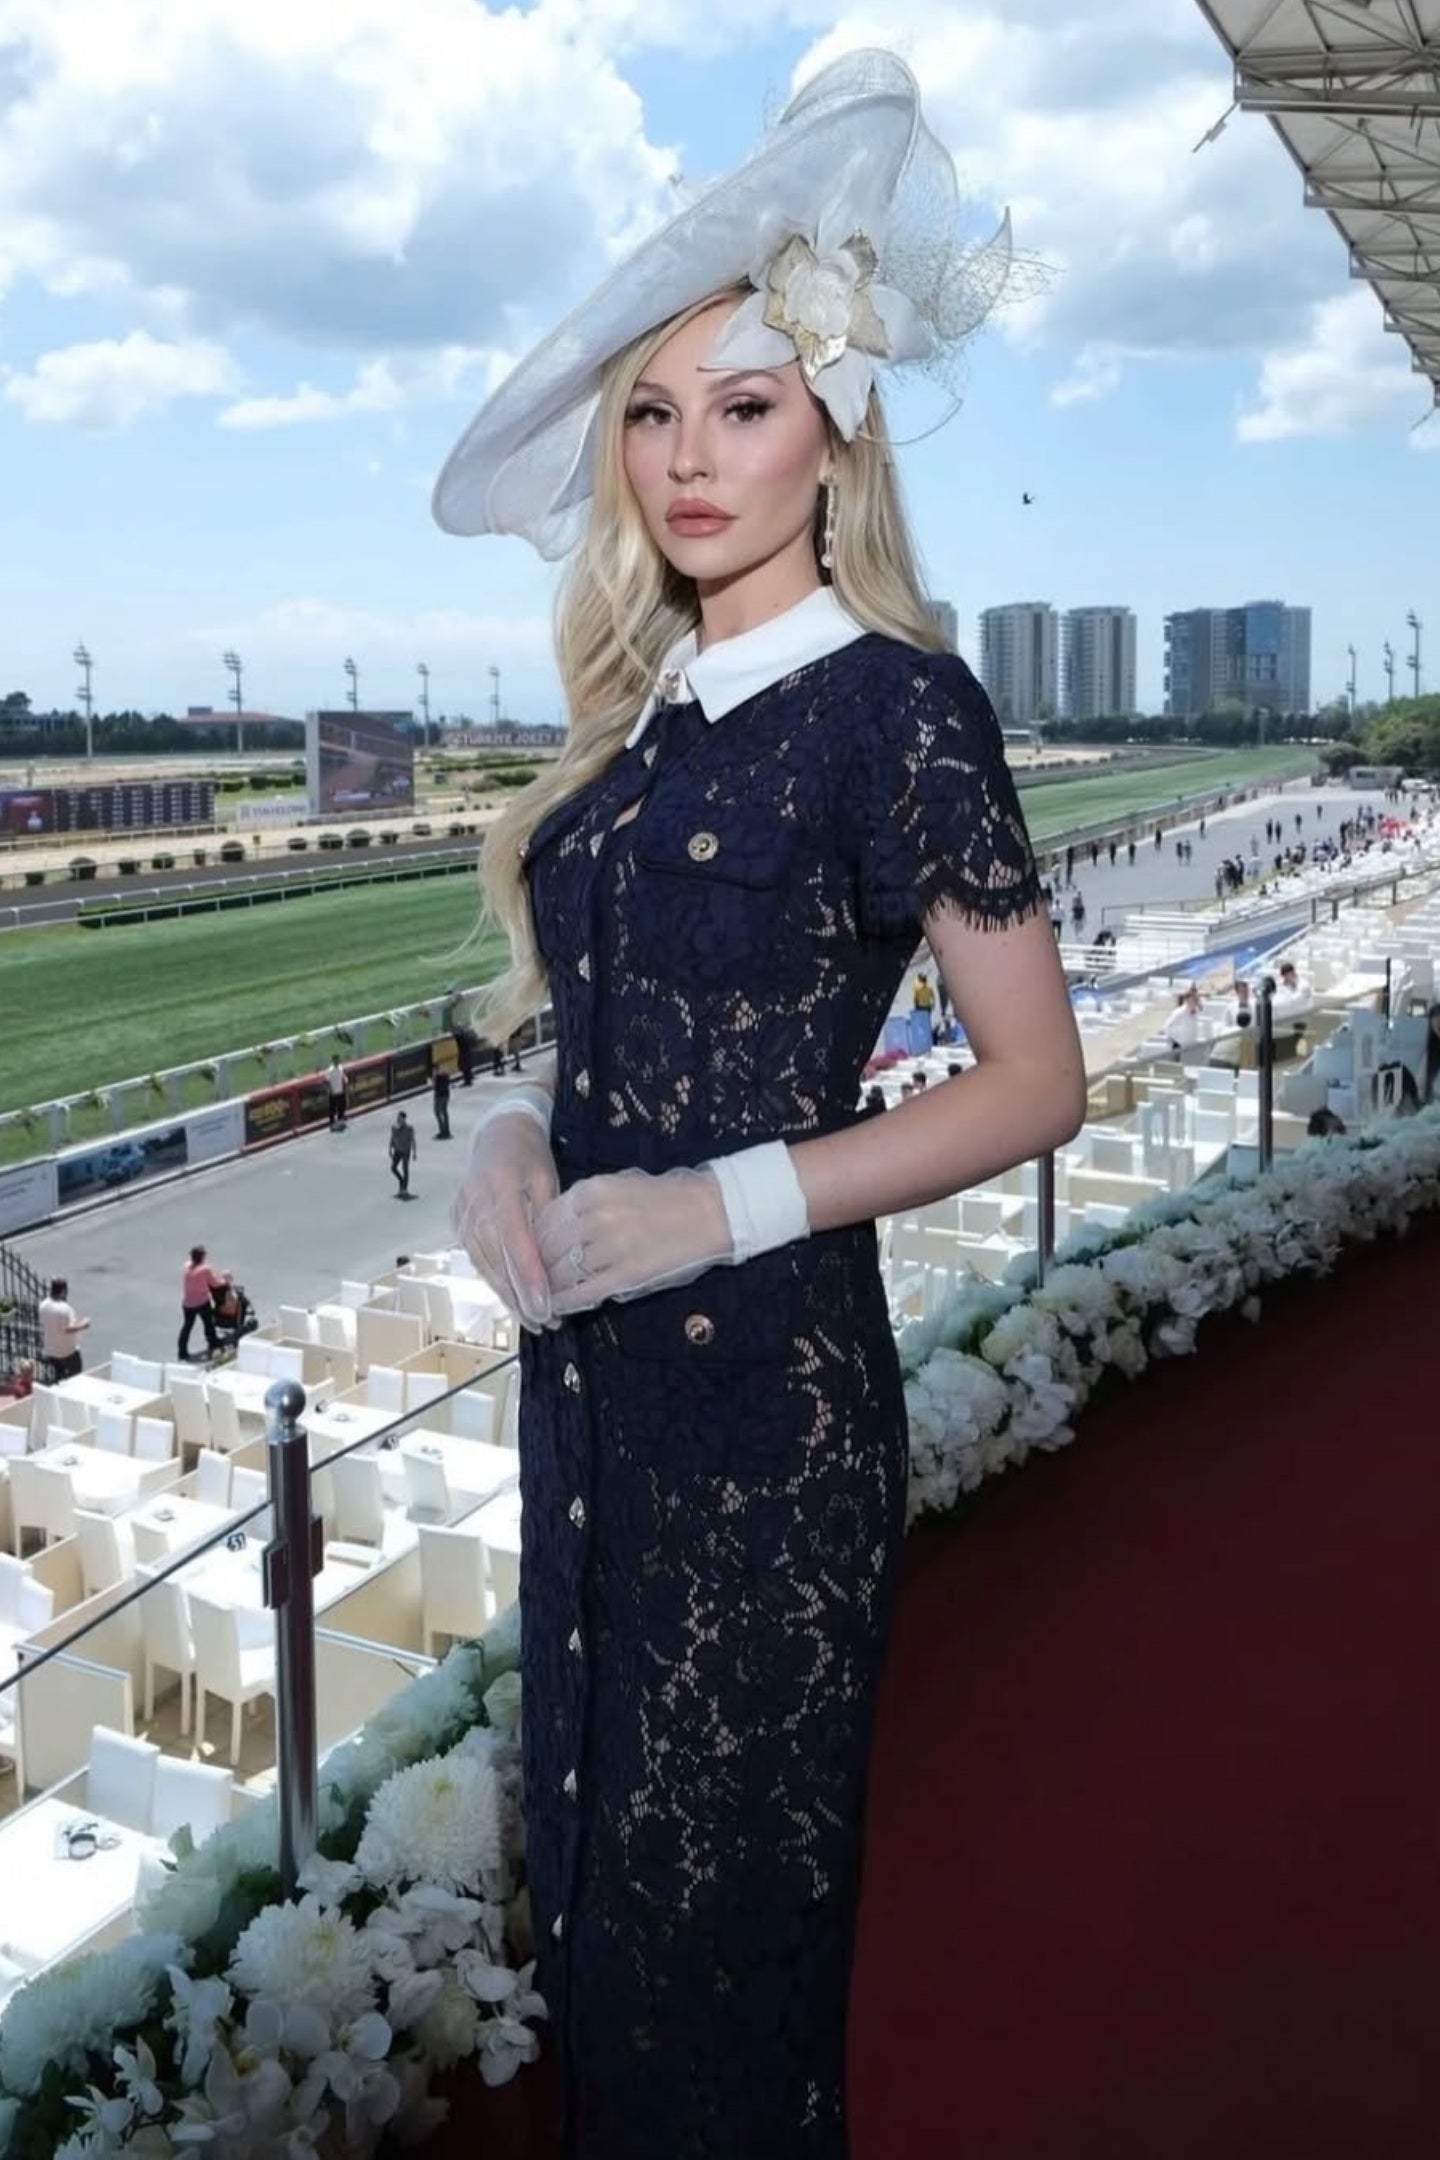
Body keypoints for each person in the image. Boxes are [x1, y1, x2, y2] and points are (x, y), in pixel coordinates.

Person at [434, 50, 1084, 2157]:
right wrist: (521, 1139)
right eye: (651, 411)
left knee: (711, 1979)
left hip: (764, 1421)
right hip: (595, 1409)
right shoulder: (636, 733)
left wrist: (725, 1205)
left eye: (745, 405)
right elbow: (605, 1040)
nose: (687, 460)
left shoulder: (903, 706)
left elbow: (1038, 1084)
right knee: (601, 1934)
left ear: (836, 429)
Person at [177, 1245, 229, 1361]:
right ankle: (213, 1342)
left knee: (187, 1326)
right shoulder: (205, 1269)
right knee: (208, 1323)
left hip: (187, 1303)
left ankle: (182, 1351)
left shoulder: (186, 1266)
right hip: (201, 1302)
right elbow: (215, 1284)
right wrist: (225, 1281)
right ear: (202, 1257)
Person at [39, 1278, 89, 1382]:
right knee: (76, 1378)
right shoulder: (65, 1309)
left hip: (50, 1350)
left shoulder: (43, 1306)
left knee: (57, 1378)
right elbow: (68, 1329)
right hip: (67, 1352)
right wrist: (83, 1325)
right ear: (63, 1291)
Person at [388, 1109, 418, 1197]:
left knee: (405, 1169)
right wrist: (390, 1149)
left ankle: (404, 1189)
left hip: (405, 1151)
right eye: (398, 1118)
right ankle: (401, 1181)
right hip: (397, 1150)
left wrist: (414, 1153)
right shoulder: (394, 1128)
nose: (398, 1119)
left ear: (404, 1119)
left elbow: (413, 1141)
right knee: (393, 1168)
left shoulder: (409, 1129)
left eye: (400, 1118)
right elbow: (392, 1138)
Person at [325, 1053, 348, 1130]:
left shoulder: (341, 1068)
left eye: (338, 1059)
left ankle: (340, 1121)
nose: (337, 1061)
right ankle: (332, 1124)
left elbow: (343, 1077)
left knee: (341, 1107)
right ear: (333, 1060)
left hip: (340, 1091)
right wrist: (331, 1090)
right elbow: (327, 1081)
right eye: (335, 1059)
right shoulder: (330, 1070)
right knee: (332, 1109)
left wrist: (345, 1083)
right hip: (333, 1093)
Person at [432, 1062, 453, 1140]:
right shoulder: (446, 1074)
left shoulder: (437, 1075)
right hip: (446, 1095)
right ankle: (447, 1130)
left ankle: (442, 1131)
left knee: (437, 1112)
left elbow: (434, 1086)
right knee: (444, 1112)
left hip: (439, 1096)